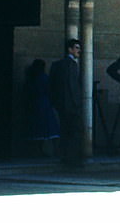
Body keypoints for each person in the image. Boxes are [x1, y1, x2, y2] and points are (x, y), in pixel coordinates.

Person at [49, 38, 84, 168]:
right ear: (70, 49)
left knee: (66, 131)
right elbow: (72, 86)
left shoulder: (58, 65)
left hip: (63, 105)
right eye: (76, 48)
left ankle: (66, 157)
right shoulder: (70, 65)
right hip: (71, 105)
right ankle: (72, 159)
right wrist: (76, 103)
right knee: (73, 132)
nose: (79, 51)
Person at [23, 58, 60, 157]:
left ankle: (39, 151)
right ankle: (56, 151)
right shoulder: (43, 78)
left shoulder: (31, 79)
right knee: (51, 130)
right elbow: (50, 90)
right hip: (44, 104)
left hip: (34, 105)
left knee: (38, 130)